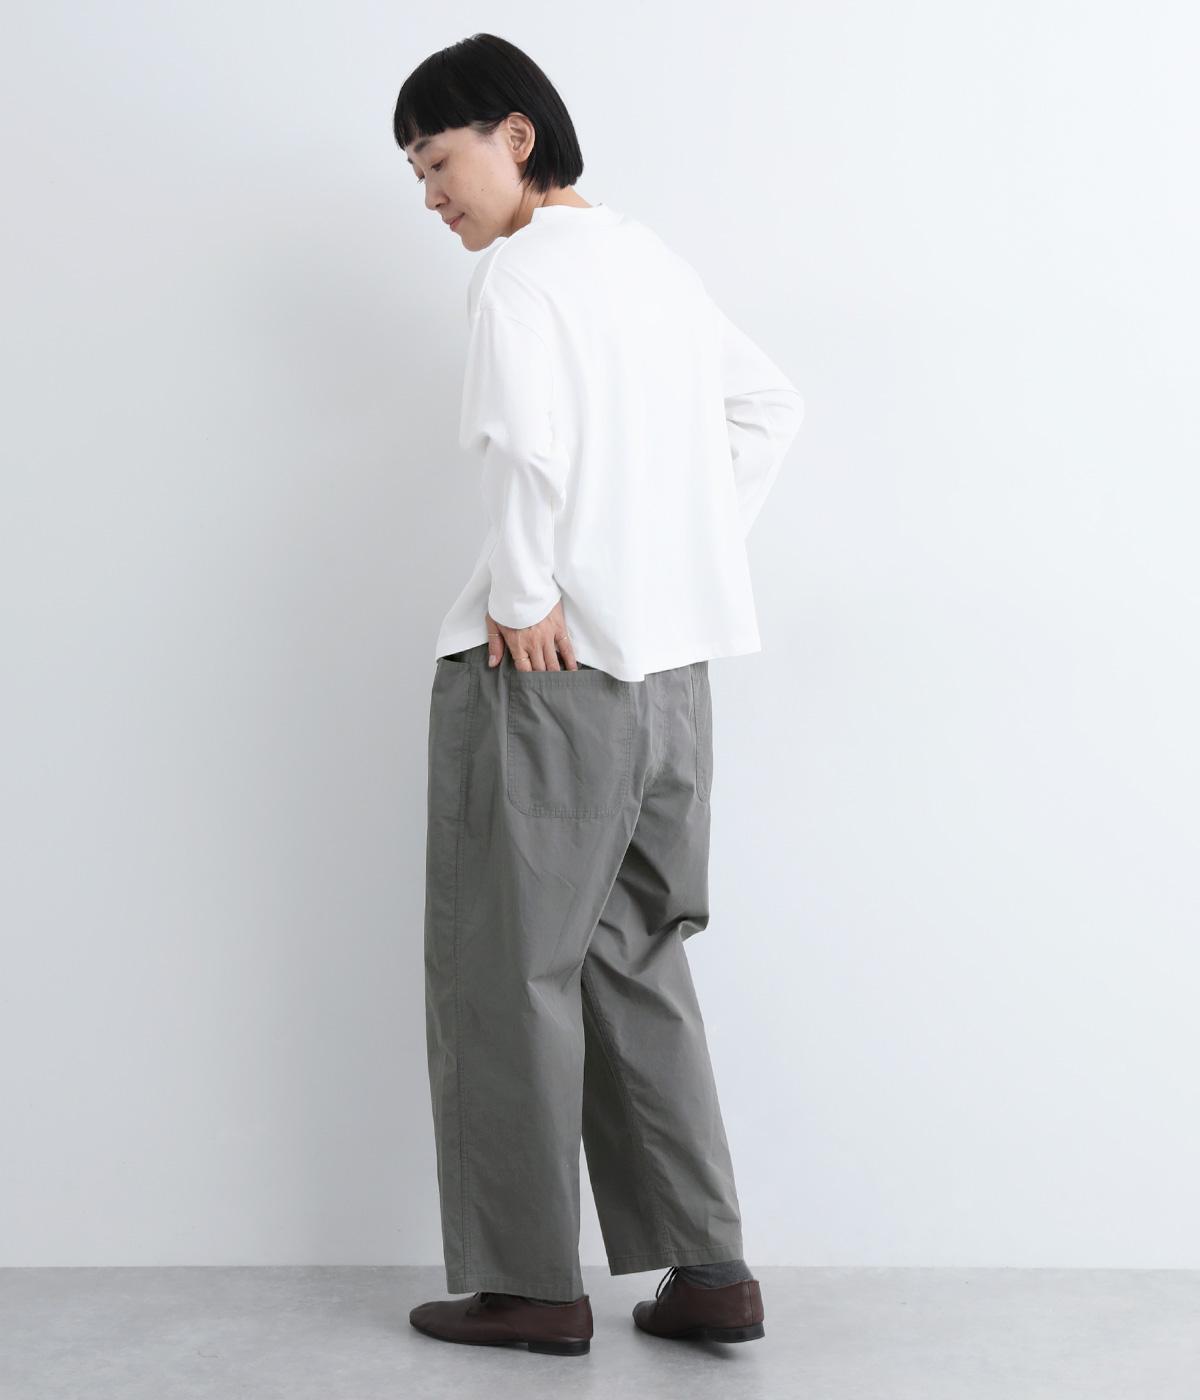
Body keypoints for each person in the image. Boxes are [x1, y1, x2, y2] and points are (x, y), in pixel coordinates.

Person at [394, 33, 804, 1357]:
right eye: (416, 174)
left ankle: (530, 1285)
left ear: (515, 137)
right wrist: (677, 554)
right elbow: (769, 407)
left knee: (505, 969)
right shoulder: (652, 263)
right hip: (671, 680)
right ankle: (712, 1271)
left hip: (548, 670)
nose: (430, 195)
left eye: (438, 160)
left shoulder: (521, 275)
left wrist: (528, 595)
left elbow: (522, 450)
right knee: (636, 958)